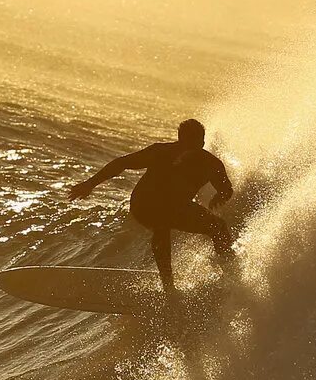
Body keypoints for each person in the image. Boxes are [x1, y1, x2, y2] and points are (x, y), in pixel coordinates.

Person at [69, 119, 236, 290]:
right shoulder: (161, 152)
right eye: (185, 144)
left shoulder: (211, 164)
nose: (187, 150)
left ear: (202, 143)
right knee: (162, 222)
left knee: (219, 227)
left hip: (178, 207)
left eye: (194, 145)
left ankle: (232, 278)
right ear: (179, 140)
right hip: (144, 204)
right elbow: (122, 163)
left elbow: (227, 189)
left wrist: (221, 196)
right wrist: (90, 184)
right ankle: (169, 287)